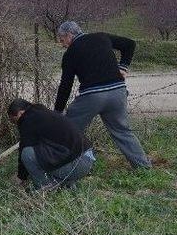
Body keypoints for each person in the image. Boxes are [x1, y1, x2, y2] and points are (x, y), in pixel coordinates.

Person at [54, 21, 151, 169]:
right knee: (122, 131)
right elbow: (130, 44)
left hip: (92, 97)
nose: (63, 44)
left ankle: (62, 166)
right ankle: (144, 167)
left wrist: (58, 111)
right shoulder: (102, 37)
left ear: (69, 35)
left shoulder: (70, 54)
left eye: (62, 40)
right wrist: (123, 67)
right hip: (118, 93)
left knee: (69, 130)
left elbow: (65, 85)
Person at [8, 98, 95, 190]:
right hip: (87, 158)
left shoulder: (27, 119)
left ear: (21, 113)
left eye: (14, 120)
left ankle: (45, 187)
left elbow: (24, 147)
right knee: (39, 154)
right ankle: (65, 183)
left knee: (27, 153)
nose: (16, 124)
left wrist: (21, 177)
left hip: (77, 164)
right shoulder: (43, 114)